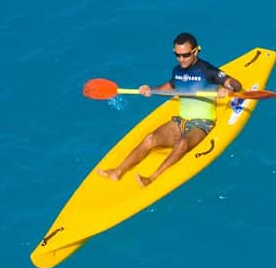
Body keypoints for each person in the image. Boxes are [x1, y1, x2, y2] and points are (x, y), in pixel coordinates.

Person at [97, 33, 244, 186]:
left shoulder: (207, 70)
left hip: (202, 124)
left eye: (185, 55)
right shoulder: (177, 71)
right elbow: (170, 86)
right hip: (181, 121)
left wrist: (228, 89)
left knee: (182, 143)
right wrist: (151, 90)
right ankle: (117, 171)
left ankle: (152, 178)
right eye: (177, 55)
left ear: (195, 52)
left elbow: (236, 84)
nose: (181, 59)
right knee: (150, 138)